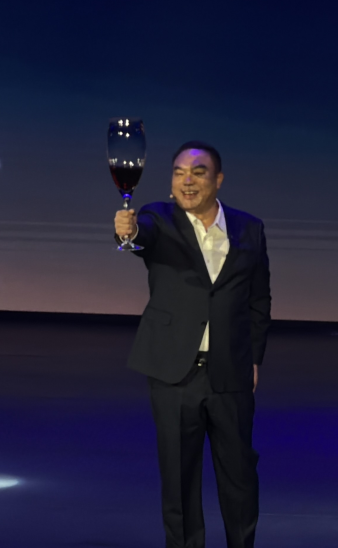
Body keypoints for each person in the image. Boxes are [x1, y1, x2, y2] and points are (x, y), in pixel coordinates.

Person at [114, 141, 271, 548]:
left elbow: (258, 300)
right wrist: (126, 232)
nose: (187, 181)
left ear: (218, 180)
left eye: (198, 172)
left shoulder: (249, 228)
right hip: (174, 372)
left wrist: (254, 358)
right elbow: (139, 238)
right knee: (179, 479)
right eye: (179, 172)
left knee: (239, 475)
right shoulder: (157, 219)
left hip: (230, 371)